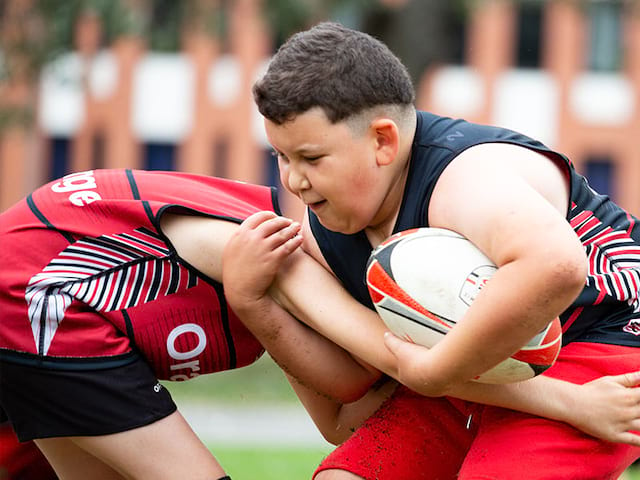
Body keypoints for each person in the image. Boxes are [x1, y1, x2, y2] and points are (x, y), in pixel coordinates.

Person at [227, 20, 640, 479]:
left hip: (605, 335)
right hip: (479, 371)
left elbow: (559, 267)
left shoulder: (463, 179)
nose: (293, 180)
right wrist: (252, 303)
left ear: (383, 141)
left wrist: (436, 372)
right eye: (281, 157)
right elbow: (345, 418)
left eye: (312, 158)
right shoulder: (319, 241)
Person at [0, 168, 390, 479]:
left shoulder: (267, 288)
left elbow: (340, 422)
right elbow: (397, 365)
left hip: (31, 277)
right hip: (35, 290)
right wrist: (447, 356)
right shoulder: (280, 262)